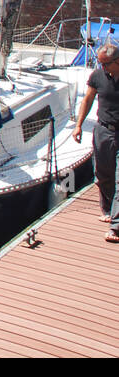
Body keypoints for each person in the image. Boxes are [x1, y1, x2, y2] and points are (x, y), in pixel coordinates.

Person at [74, 44, 119, 242]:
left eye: (106, 64)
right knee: (103, 173)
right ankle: (107, 209)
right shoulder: (97, 76)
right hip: (103, 130)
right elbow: (88, 100)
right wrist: (78, 125)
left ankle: (116, 226)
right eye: (99, 63)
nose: (102, 67)